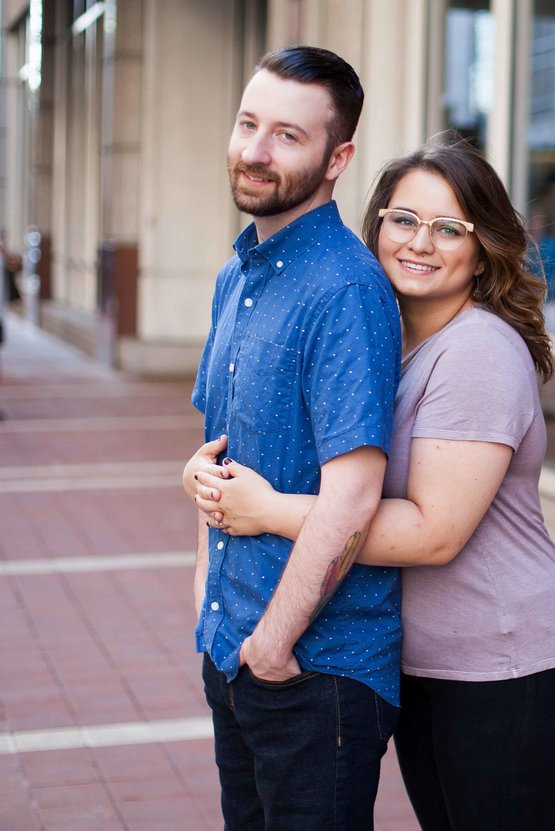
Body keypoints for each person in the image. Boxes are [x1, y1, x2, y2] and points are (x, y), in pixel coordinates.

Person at [188, 141, 555, 829]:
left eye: (449, 228)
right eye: (403, 219)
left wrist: (267, 510)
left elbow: (433, 532)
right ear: (375, 222)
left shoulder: (477, 351)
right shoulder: (392, 340)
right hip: (430, 663)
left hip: (506, 663)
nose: (420, 243)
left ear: (483, 247)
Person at [184, 45, 404, 830]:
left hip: (314, 669)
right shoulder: (236, 275)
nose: (255, 150)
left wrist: (275, 645)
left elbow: (354, 496)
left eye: (287, 135)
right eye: (249, 124)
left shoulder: (345, 290)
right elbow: (220, 450)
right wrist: (210, 607)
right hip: (235, 645)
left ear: (338, 157)